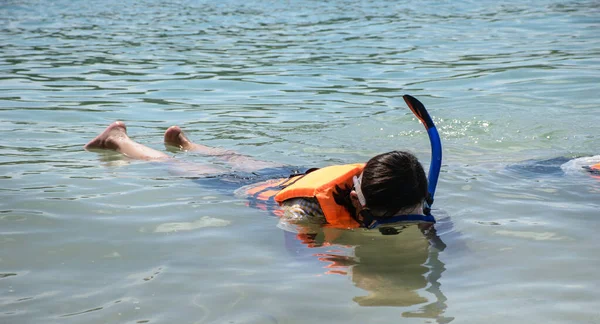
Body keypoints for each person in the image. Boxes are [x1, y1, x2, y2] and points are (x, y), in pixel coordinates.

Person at [84, 95, 442, 229]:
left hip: (292, 174)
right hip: (256, 188)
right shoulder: (310, 209)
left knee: (237, 156)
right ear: (358, 202)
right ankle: (119, 140)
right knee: (173, 166)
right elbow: (293, 230)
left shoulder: (406, 190)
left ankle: (189, 143)